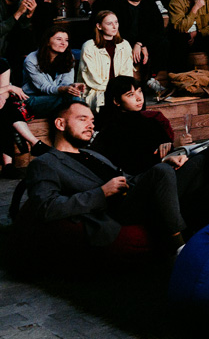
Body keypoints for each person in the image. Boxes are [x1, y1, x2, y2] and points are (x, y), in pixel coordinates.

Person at [20, 100, 186, 254]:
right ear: (60, 124)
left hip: (134, 195)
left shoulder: (92, 154)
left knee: (199, 160)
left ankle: (199, 234)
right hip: (115, 210)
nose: (90, 125)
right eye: (82, 119)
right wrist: (102, 192)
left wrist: (166, 161)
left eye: (92, 121)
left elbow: (129, 179)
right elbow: (46, 207)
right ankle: (178, 248)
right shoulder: (45, 162)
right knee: (162, 171)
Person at [90, 76, 176, 176]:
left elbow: (167, 148)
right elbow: (130, 164)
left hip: (166, 172)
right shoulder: (111, 128)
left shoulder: (152, 121)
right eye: (130, 95)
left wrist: (169, 146)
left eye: (139, 91)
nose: (139, 98)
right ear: (116, 101)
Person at [23, 27, 85, 118]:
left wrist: (72, 87)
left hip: (59, 96)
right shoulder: (31, 60)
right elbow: (44, 88)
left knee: (74, 98)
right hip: (34, 99)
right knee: (74, 102)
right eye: (59, 39)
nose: (63, 43)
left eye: (66, 40)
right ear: (47, 42)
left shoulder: (68, 57)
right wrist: (64, 89)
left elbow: (66, 83)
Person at [79, 11, 135, 110]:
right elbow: (92, 78)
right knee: (107, 102)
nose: (114, 26)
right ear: (99, 26)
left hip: (120, 90)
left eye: (116, 22)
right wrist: (114, 90)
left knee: (135, 100)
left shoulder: (124, 44)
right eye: (109, 24)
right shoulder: (89, 46)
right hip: (96, 90)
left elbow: (127, 74)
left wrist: (121, 89)